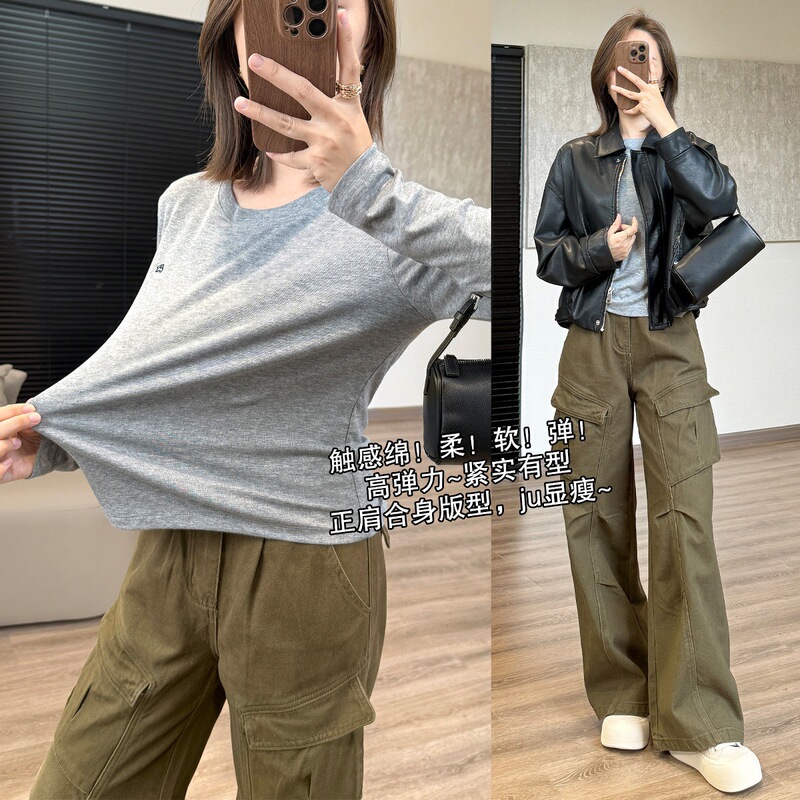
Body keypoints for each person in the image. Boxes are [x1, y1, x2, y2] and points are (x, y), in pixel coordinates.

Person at [0, 1, 490, 797]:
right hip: (171, 549)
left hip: (307, 563)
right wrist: (53, 438)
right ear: (232, 33)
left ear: (371, 35)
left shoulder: (394, 221)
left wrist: (370, 189)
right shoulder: (185, 204)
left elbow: (563, 282)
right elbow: (165, 369)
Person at [533, 10, 761, 794]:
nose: (637, 72)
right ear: (606, 74)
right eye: (627, 62)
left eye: (651, 62)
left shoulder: (685, 152)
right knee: (592, 519)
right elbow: (548, 255)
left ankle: (700, 722)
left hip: (670, 344)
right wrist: (600, 251)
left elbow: (721, 202)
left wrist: (665, 125)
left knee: (685, 522)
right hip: (593, 347)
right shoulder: (574, 159)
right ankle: (623, 694)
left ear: (664, 75)